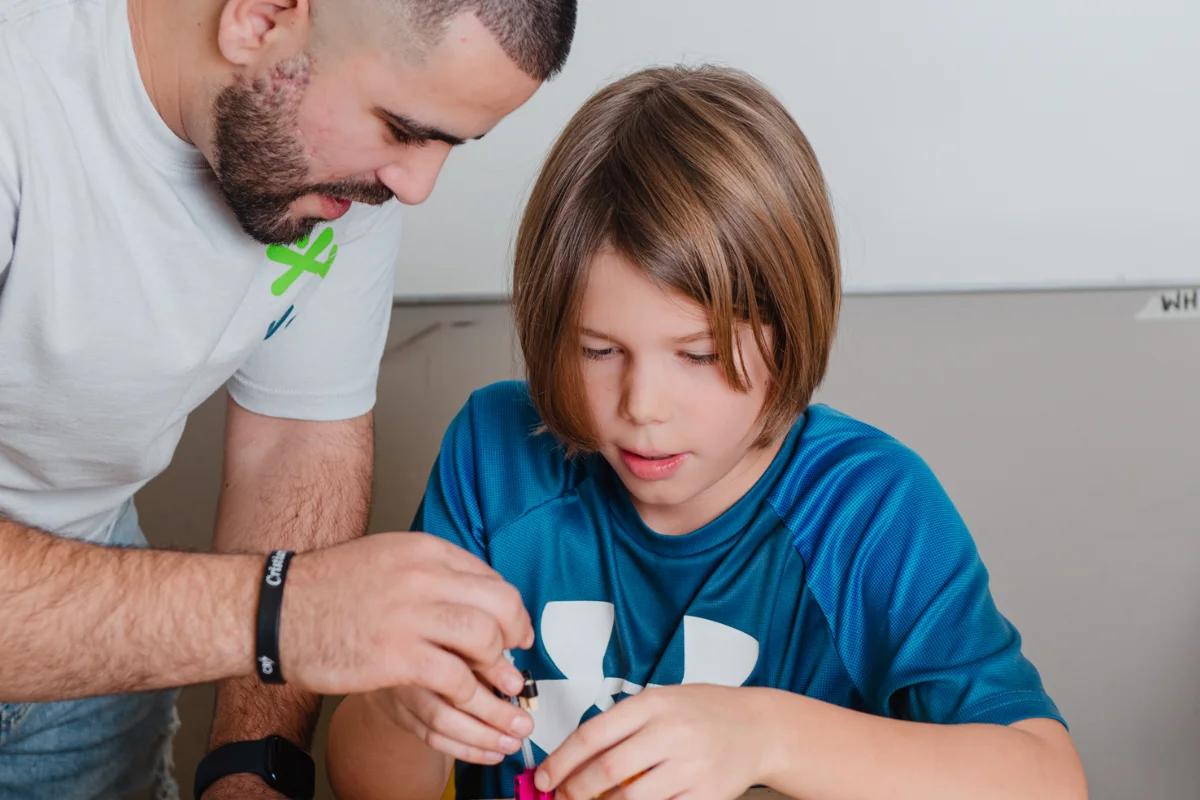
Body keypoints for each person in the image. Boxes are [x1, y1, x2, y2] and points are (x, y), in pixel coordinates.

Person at [326, 65, 1089, 800]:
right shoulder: (496, 456)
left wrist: (767, 735)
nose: (644, 405)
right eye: (599, 351)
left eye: (701, 355)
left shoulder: (871, 510)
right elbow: (371, 783)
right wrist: (403, 709)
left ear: (791, 330)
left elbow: (1049, 780)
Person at [0, 0, 576, 797]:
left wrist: (251, 764)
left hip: (96, 641)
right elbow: (287, 607)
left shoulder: (333, 177)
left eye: (451, 144)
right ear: (262, 17)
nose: (416, 188)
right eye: (404, 129)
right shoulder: (19, 88)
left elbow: (298, 436)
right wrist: (282, 615)